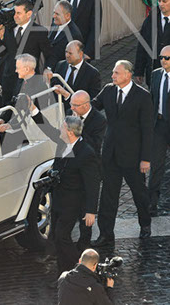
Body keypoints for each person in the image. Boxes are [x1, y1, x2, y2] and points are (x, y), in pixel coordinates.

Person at [91, 60, 153, 247]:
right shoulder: (108, 90)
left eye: (116, 73)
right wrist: (75, 101)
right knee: (108, 196)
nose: (112, 76)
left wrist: (145, 159)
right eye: (113, 72)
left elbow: (147, 130)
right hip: (110, 154)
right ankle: (106, 233)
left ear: (128, 74)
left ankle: (145, 224)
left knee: (139, 193)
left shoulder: (142, 96)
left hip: (133, 156)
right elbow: (93, 107)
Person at [35, 113, 101, 276]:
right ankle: (64, 274)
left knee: (62, 237)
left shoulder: (86, 153)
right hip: (58, 200)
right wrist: (34, 111)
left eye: (62, 127)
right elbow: (47, 129)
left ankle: (80, 270)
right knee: (57, 238)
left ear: (70, 132)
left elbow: (92, 184)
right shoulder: (63, 143)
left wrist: (91, 211)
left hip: (73, 203)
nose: (59, 130)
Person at [0, 0, 53, 102]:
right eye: (14, 12)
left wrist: (48, 68)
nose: (15, 16)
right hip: (9, 79)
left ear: (29, 14)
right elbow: (3, 53)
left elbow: (49, 54)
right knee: (7, 109)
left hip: (28, 81)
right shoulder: (9, 29)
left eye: (19, 13)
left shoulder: (39, 31)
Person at [149, 45, 170, 216]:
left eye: (167, 58)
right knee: (156, 165)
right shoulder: (156, 75)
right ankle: (152, 204)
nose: (163, 60)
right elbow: (151, 100)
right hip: (159, 125)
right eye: (161, 57)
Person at [135, 0, 170, 85]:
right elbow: (142, 45)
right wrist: (139, 70)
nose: (161, 4)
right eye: (159, 1)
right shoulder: (150, 20)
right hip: (153, 70)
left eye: (164, 1)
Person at [48, 0, 83, 66]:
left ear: (67, 16)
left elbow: (72, 61)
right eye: (54, 13)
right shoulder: (55, 23)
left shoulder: (74, 35)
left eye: (57, 14)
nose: (54, 16)